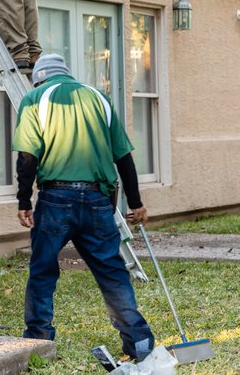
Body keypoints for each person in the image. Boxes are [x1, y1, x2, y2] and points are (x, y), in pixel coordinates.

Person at [13, 53, 155, 362]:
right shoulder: (98, 99)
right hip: (97, 202)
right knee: (112, 271)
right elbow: (124, 157)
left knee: (42, 270)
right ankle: (139, 342)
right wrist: (137, 202)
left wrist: (24, 200)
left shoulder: (35, 98)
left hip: (55, 200)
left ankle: (38, 341)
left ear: (39, 78)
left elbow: (27, 155)